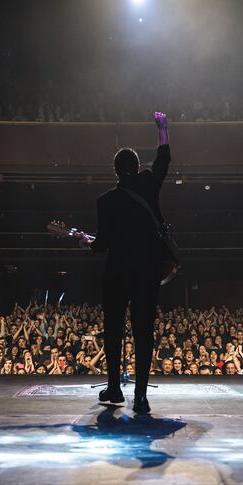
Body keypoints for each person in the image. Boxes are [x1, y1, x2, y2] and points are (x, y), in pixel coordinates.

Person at [84, 111, 171, 414]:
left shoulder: (105, 201)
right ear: (136, 167)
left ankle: (114, 388)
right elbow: (163, 161)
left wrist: (86, 240)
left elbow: (101, 246)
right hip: (147, 272)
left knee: (113, 329)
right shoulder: (148, 184)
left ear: (115, 171)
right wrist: (163, 129)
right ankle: (142, 396)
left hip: (117, 273)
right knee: (143, 330)